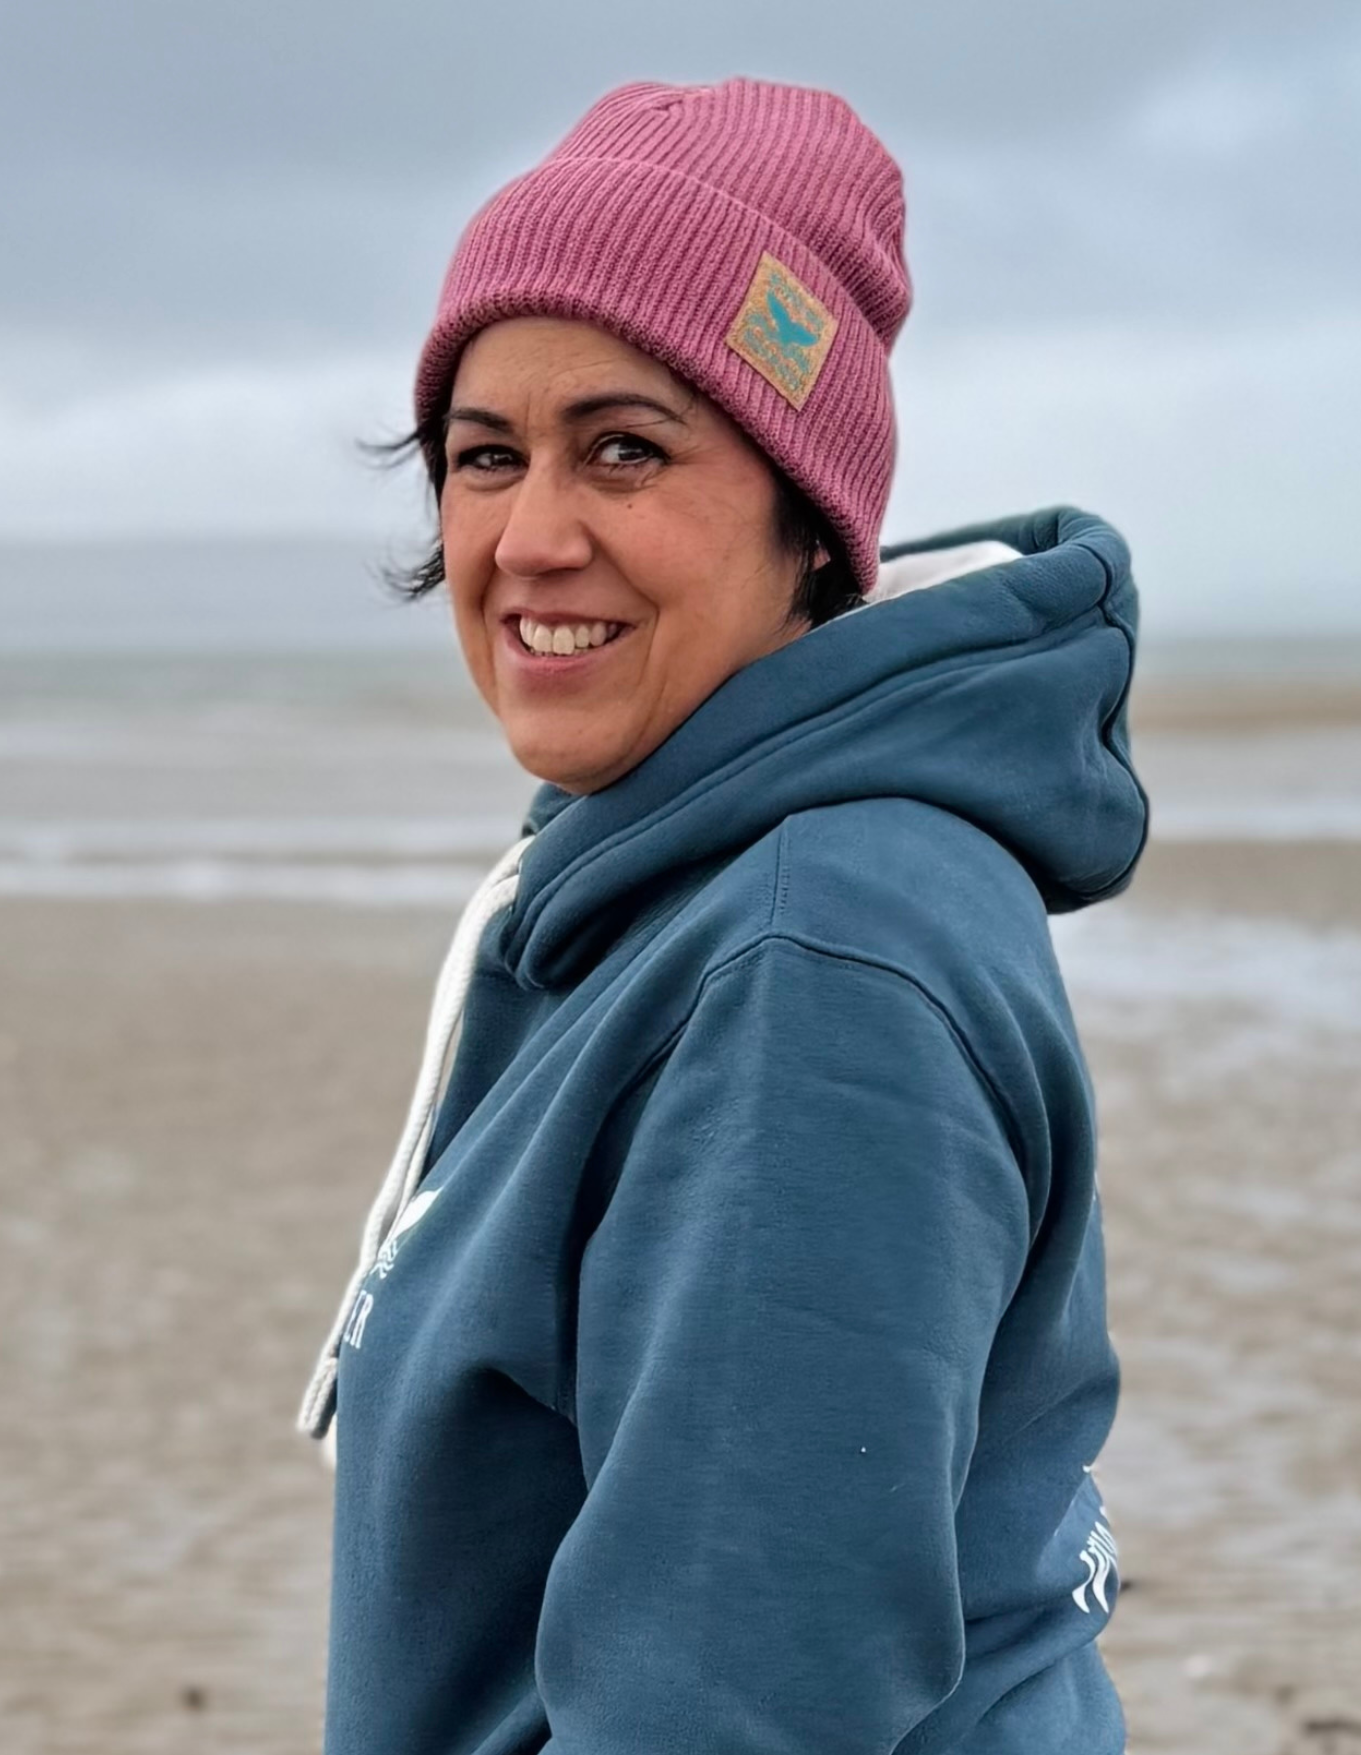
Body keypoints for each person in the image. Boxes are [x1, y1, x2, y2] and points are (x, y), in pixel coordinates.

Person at [297, 76, 1146, 1754]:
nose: (530, 537)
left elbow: (734, 1701)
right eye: (483, 458)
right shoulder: (686, 871)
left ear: (805, 520)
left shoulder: (809, 967)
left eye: (624, 448)